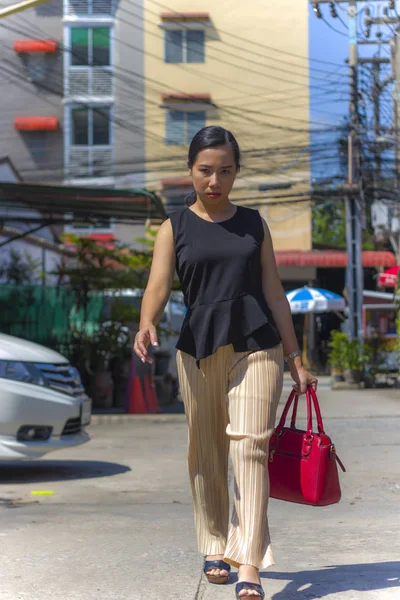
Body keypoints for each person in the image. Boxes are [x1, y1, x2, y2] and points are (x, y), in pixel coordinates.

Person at [134, 126, 318, 599]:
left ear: (236, 172)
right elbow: (157, 285)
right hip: (198, 347)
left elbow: (274, 293)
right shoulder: (174, 226)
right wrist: (146, 322)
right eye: (206, 171)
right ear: (191, 171)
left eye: (226, 171)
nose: (215, 181)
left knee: (250, 448)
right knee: (207, 449)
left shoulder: (254, 224)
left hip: (257, 344)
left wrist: (295, 357)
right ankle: (215, 541)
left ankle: (249, 561)